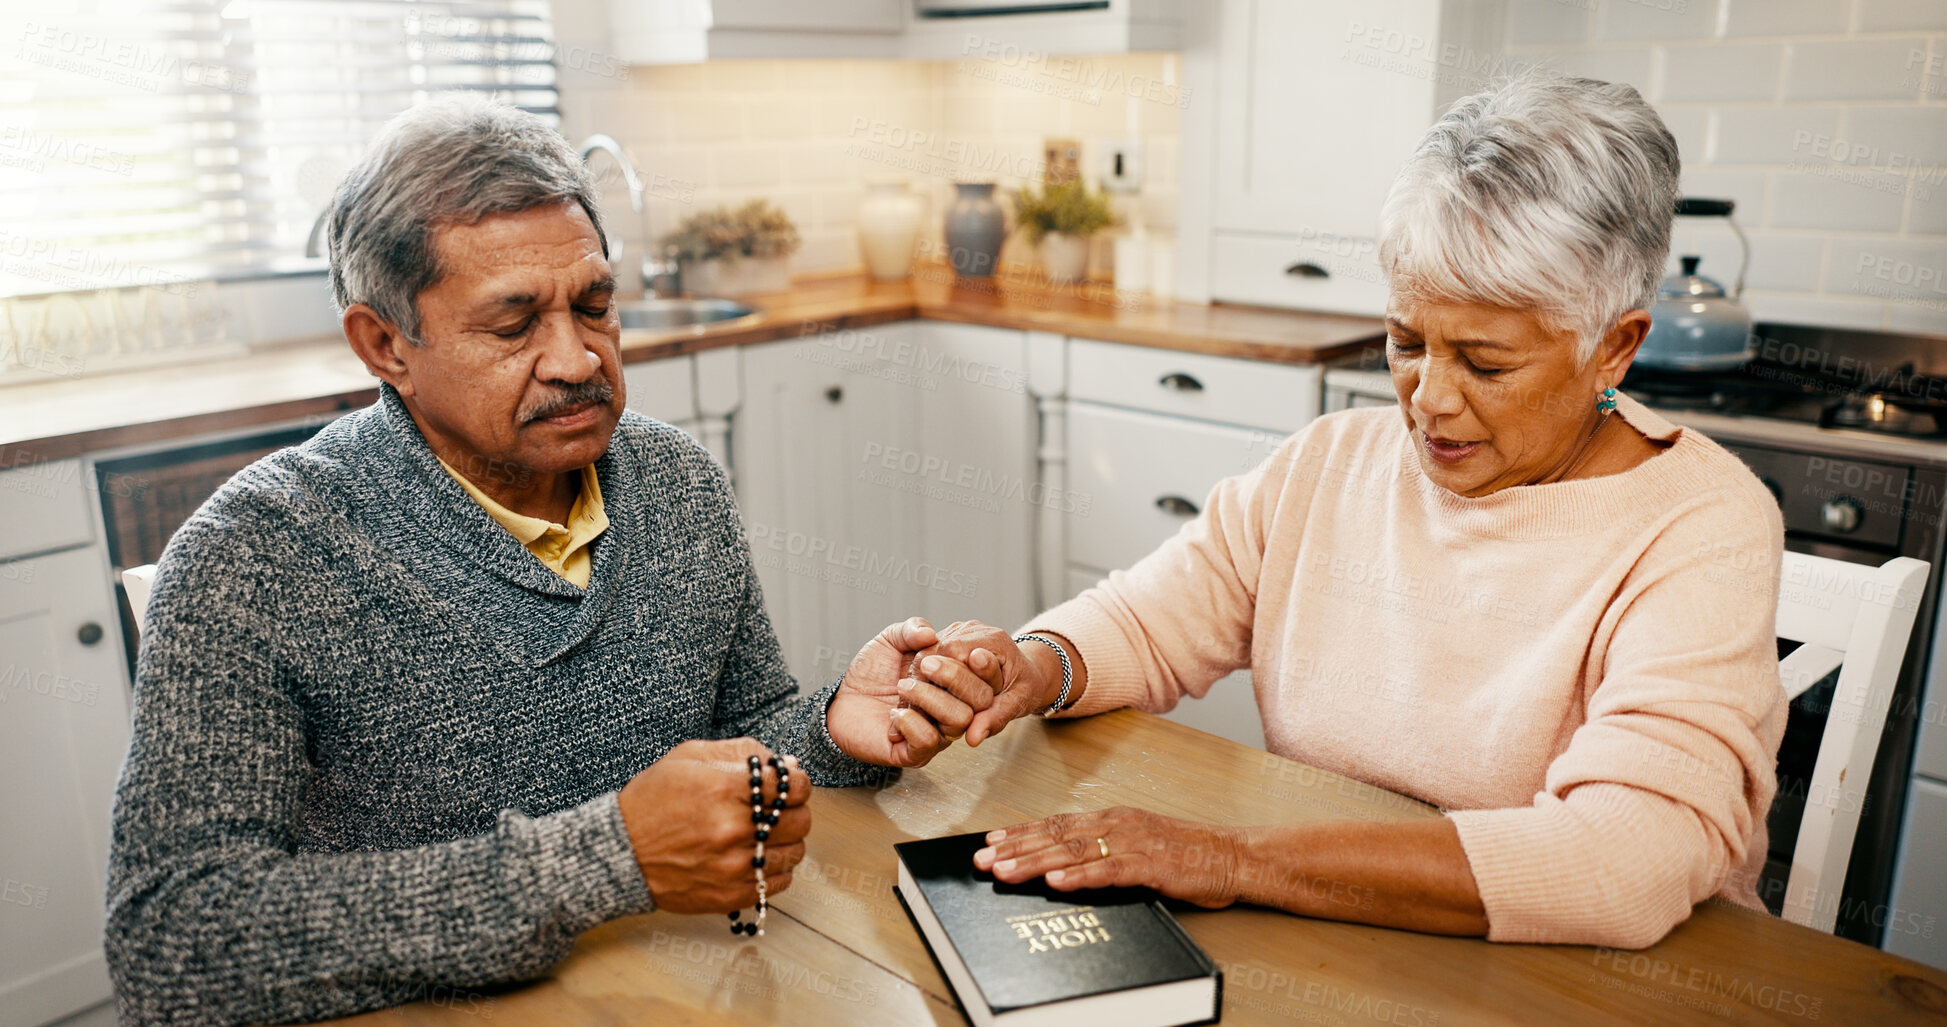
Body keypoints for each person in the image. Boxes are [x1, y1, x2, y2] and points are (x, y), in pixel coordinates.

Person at [103, 97, 996, 1026]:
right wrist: (603, 861)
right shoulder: (258, 552)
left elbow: (744, 735)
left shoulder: (674, 479)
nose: (577, 358)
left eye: (595, 305)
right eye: (513, 324)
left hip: (683, 992)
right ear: (383, 345)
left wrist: (830, 730)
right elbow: (171, 941)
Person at [911, 76, 1788, 949]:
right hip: (1344, 938)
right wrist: (1032, 668)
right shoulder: (1329, 461)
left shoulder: (1703, 526)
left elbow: (1623, 863)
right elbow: (1146, 621)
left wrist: (1233, 860)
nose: (1428, 399)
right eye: (1406, 342)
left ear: (1614, 348)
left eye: (1483, 362)